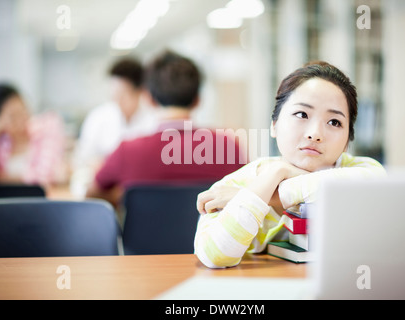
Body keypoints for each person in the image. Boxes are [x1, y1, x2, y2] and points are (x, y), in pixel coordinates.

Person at [194, 61, 387, 268]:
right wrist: (274, 173)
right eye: (302, 115)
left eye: (334, 122)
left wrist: (264, 196)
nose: (315, 134)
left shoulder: (364, 171)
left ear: (348, 140)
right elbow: (214, 255)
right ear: (274, 126)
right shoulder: (241, 180)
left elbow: (375, 188)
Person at [86, 50, 246, 207]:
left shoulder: (127, 151)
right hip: (209, 234)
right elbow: (250, 195)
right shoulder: (227, 146)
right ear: (198, 100)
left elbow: (91, 193)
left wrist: (124, 195)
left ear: (149, 99)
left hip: (145, 234)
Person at [71, 57, 158, 197]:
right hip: (103, 191)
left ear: (140, 92)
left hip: (142, 193)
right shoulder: (98, 118)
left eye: (122, 95)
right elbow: (82, 160)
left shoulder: (154, 119)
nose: (117, 101)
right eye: (114, 95)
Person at [0, 83, 66, 187]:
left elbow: (43, 178)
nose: (22, 120)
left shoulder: (45, 127)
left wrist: (3, 179)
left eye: (23, 110)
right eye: (13, 116)